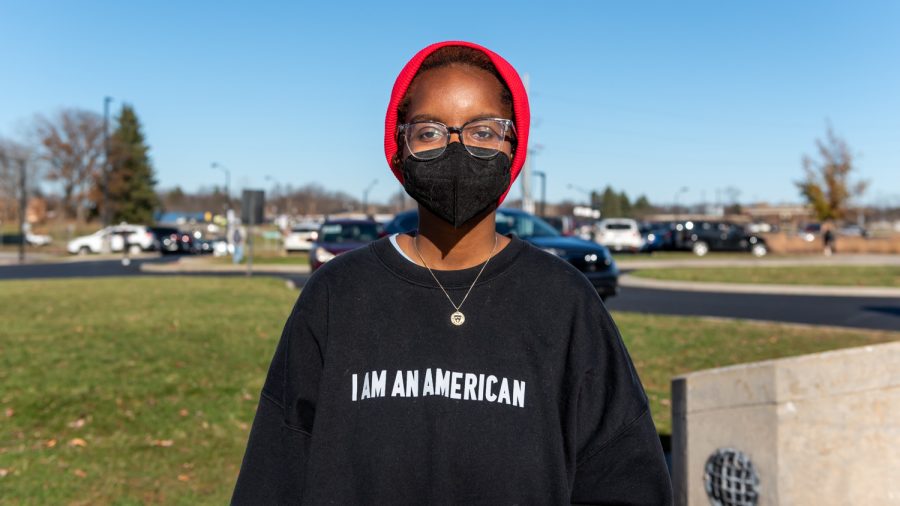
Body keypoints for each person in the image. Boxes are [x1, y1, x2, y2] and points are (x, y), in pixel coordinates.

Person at [231, 41, 672, 505]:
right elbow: (275, 472)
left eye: (483, 131)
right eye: (429, 132)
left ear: (513, 147)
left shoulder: (563, 301)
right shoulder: (338, 293)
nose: (457, 147)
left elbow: (625, 478)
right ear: (399, 149)